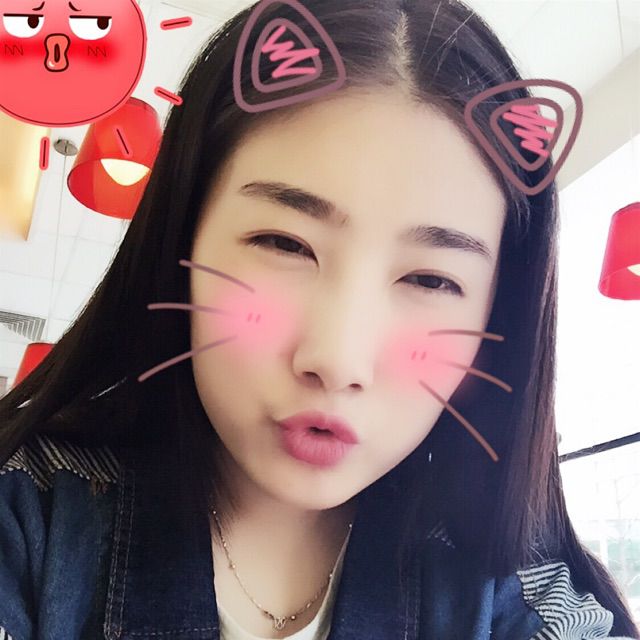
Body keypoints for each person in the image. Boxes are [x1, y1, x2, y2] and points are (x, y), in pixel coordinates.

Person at [0, 0, 638, 638]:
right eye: (284, 244)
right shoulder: (28, 517)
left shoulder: (517, 597)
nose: (337, 360)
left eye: (430, 280)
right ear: (184, 240)